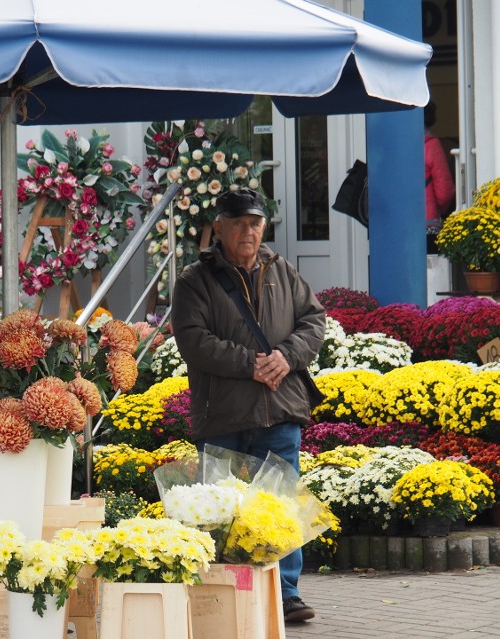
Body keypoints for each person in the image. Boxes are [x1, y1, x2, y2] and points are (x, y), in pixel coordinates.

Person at [170, 187, 325, 624]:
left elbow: (315, 320)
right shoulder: (193, 281)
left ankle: (286, 593)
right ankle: (225, 593)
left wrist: (287, 356)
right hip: (223, 413)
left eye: (254, 222)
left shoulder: (284, 271)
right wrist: (251, 364)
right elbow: (193, 340)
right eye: (237, 223)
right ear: (217, 228)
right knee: (221, 509)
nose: (247, 231)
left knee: (279, 505)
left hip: (279, 409)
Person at [424, 101, 455, 240]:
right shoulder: (431, 145)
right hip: (428, 222)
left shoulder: (396, 145)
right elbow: (445, 191)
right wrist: (438, 210)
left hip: (399, 223)